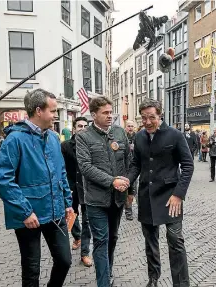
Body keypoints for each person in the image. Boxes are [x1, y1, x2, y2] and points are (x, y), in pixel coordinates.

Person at [0, 89, 73, 287]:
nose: (56, 115)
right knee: (31, 269)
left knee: (64, 260)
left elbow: (61, 172)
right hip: (29, 216)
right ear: (39, 110)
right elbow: (3, 179)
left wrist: (68, 203)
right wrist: (25, 211)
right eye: (53, 111)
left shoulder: (54, 138)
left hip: (55, 211)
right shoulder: (15, 139)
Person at [123, 99, 194, 287]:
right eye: (144, 118)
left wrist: (179, 194)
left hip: (171, 197)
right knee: (150, 242)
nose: (147, 122)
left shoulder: (175, 135)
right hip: (146, 196)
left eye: (151, 118)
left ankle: (181, 283)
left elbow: (188, 166)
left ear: (160, 115)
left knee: (175, 240)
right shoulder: (139, 137)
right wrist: (127, 181)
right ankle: (153, 279)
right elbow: (136, 164)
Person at [75, 97, 131, 287]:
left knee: (113, 237)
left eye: (111, 112)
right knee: (101, 240)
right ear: (93, 115)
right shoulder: (83, 136)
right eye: (105, 113)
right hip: (96, 200)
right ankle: (103, 283)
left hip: (118, 199)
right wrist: (111, 181)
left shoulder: (120, 132)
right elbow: (85, 167)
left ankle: (108, 270)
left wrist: (130, 188)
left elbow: (129, 163)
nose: (110, 116)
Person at [61, 116, 92, 267]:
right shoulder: (65, 146)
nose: (83, 128)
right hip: (71, 189)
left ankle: (85, 253)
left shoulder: (91, 146)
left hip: (87, 190)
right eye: (80, 126)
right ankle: (77, 237)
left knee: (87, 221)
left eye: (85, 126)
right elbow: (60, 169)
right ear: (74, 128)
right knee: (72, 217)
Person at [124, 120, 137, 221]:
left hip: (135, 168)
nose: (130, 128)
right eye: (128, 126)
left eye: (132, 126)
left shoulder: (138, 138)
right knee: (127, 191)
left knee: (133, 191)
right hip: (124, 169)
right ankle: (128, 211)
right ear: (125, 127)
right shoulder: (122, 138)